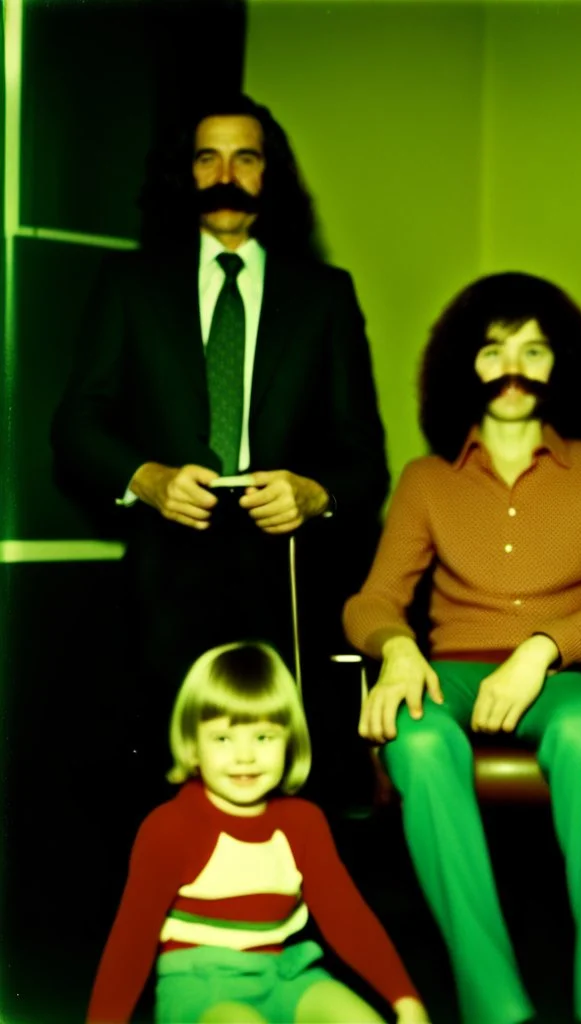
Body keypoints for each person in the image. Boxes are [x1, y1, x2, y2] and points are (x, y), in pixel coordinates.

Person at [343, 273, 581, 1024]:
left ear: (562, 365)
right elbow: (373, 598)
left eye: (535, 350)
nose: (514, 368)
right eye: (493, 351)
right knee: (416, 746)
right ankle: (495, 1004)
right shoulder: (424, 481)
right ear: (463, 366)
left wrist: (541, 649)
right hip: (446, 669)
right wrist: (399, 652)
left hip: (559, 674)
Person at [51, 94, 388, 770]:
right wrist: (146, 480)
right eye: (208, 157)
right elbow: (76, 426)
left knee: (286, 772)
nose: (225, 172)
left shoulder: (326, 294)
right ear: (187, 173)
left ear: (271, 174)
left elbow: (366, 462)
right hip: (163, 571)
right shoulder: (129, 283)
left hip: (287, 575)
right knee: (162, 772)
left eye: (246, 156)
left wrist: (313, 494)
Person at [87, 641, 429, 1024]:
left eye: (263, 737)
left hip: (288, 975)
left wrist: (405, 999)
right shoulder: (170, 827)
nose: (245, 756)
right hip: (201, 987)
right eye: (222, 739)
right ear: (192, 746)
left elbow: (347, 917)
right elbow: (130, 943)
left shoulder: (303, 822)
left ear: (289, 740)